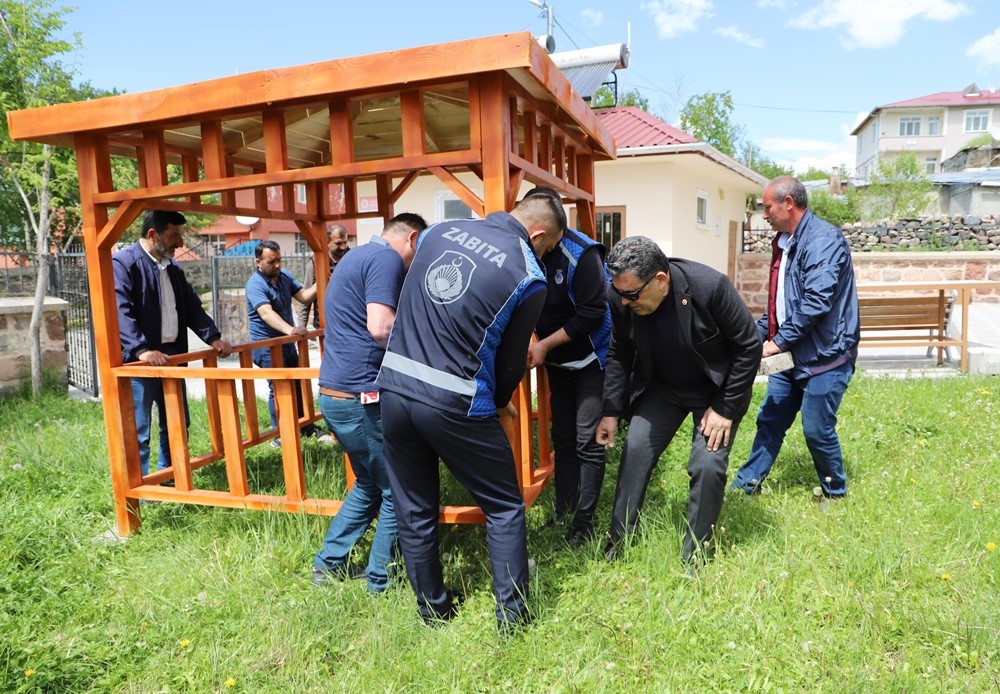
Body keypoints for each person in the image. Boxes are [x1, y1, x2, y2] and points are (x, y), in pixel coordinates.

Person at [376, 194, 565, 630]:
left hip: (395, 387)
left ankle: (433, 610)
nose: (545, 254)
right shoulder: (528, 273)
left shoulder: (439, 232)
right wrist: (500, 403)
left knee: (415, 506)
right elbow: (511, 361)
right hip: (455, 400)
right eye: (548, 246)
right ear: (537, 235)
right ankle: (513, 620)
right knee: (503, 507)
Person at [595, 236, 761, 565]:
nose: (624, 302)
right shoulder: (620, 297)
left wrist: (726, 409)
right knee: (636, 451)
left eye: (631, 294)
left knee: (708, 465)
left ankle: (696, 556)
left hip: (715, 391)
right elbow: (620, 352)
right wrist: (611, 411)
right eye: (619, 293)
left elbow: (749, 346)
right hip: (663, 389)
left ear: (660, 280)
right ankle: (618, 543)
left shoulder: (710, 287)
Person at [312, 213, 427, 594]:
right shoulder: (386, 259)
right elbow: (380, 327)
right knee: (397, 488)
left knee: (369, 484)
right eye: (419, 251)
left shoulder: (356, 257)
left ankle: (328, 564)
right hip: (362, 398)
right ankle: (380, 579)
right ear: (411, 238)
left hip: (334, 394)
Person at [732, 176, 860, 498]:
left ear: (788, 203)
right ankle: (746, 486)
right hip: (790, 356)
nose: (763, 214)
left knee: (816, 430)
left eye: (767, 206)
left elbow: (816, 301)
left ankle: (835, 492)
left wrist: (777, 342)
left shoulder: (822, 240)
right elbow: (781, 304)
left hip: (825, 357)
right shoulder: (786, 242)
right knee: (770, 420)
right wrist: (753, 336)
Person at [523, 187, 612, 547]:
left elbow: (593, 315)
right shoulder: (524, 248)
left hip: (592, 357)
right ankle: (565, 512)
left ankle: (584, 523)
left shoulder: (582, 253)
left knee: (587, 439)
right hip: (557, 361)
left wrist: (543, 344)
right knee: (562, 437)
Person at [114, 210, 233, 476]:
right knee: (139, 429)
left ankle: (169, 476)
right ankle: (141, 490)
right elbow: (119, 311)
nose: (180, 243)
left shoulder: (173, 268)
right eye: (173, 236)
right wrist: (142, 350)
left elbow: (191, 308)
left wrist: (213, 337)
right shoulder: (123, 264)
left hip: (172, 358)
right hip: (140, 364)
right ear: (153, 234)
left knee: (177, 422)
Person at [245, 240, 329, 444]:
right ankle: (279, 434)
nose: (277, 265)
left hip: (287, 342)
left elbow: (304, 297)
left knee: (298, 383)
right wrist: (291, 330)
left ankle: (305, 426)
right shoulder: (255, 284)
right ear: (258, 262)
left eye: (279, 260)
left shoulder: (284, 277)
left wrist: (323, 282)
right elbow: (266, 313)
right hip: (266, 345)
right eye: (271, 261)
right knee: (279, 386)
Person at [295, 224, 350, 329]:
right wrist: (301, 327)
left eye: (345, 242)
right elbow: (306, 297)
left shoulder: (353, 258)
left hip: (348, 323)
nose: (343, 247)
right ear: (327, 243)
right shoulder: (317, 262)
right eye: (338, 243)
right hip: (324, 325)